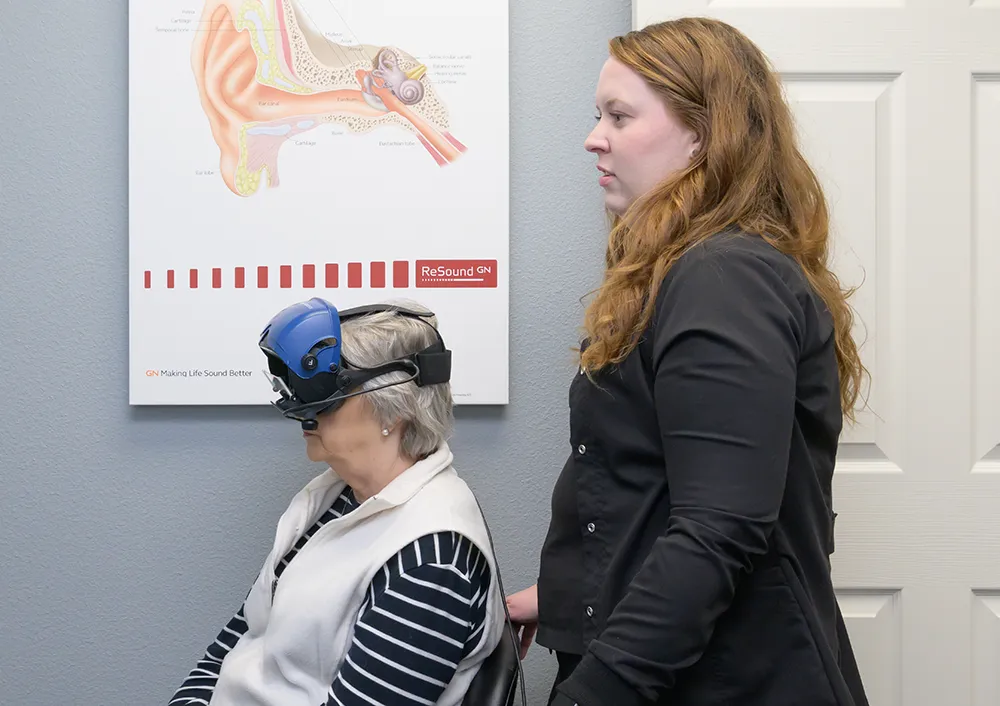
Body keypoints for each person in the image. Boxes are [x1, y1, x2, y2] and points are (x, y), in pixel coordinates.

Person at [506, 17, 872, 706]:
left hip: (728, 678)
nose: (594, 136)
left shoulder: (721, 277)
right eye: (597, 115)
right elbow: (647, 490)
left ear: (705, 134)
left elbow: (720, 527)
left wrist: (597, 692)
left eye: (619, 115)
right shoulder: (694, 271)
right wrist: (563, 594)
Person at [168, 298, 505, 706]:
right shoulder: (337, 497)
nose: (301, 409)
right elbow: (243, 639)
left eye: (324, 394)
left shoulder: (429, 559)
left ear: (393, 411)